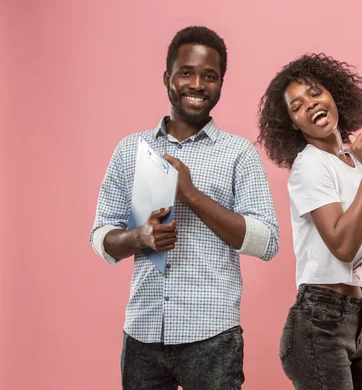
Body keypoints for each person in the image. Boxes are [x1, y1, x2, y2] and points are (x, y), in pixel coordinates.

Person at [90, 26, 279, 390]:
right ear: (168, 77)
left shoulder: (238, 153)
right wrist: (139, 236)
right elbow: (101, 237)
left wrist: (190, 194)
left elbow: (267, 242)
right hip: (142, 334)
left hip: (212, 338)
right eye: (186, 72)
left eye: (210, 76)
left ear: (221, 83)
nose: (197, 84)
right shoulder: (130, 149)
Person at [257, 53, 362, 389]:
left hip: (357, 322)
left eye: (315, 93)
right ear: (293, 125)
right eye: (296, 106)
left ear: (334, 95)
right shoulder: (310, 166)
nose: (310, 105)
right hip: (319, 324)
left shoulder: (356, 164)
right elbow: (343, 246)